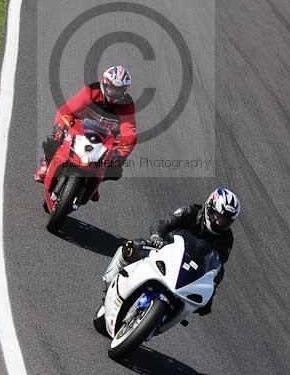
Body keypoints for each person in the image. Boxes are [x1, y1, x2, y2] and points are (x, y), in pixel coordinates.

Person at [102, 187, 241, 314]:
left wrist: (212, 288)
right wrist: (156, 237)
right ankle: (109, 285)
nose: (218, 222)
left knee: (205, 301)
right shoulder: (191, 211)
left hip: (191, 269)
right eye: (217, 215)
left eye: (225, 220)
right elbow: (164, 222)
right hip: (165, 250)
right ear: (209, 207)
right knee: (131, 247)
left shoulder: (226, 238)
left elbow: (218, 265)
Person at [35, 65, 137, 197]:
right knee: (52, 140)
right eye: (111, 88)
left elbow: (129, 131)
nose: (113, 93)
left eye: (118, 90)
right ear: (104, 83)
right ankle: (47, 162)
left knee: (115, 169)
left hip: (105, 141)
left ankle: (95, 182)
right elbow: (66, 109)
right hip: (78, 129)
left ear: (125, 90)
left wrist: (122, 152)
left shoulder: (127, 104)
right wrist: (59, 127)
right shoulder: (92, 90)